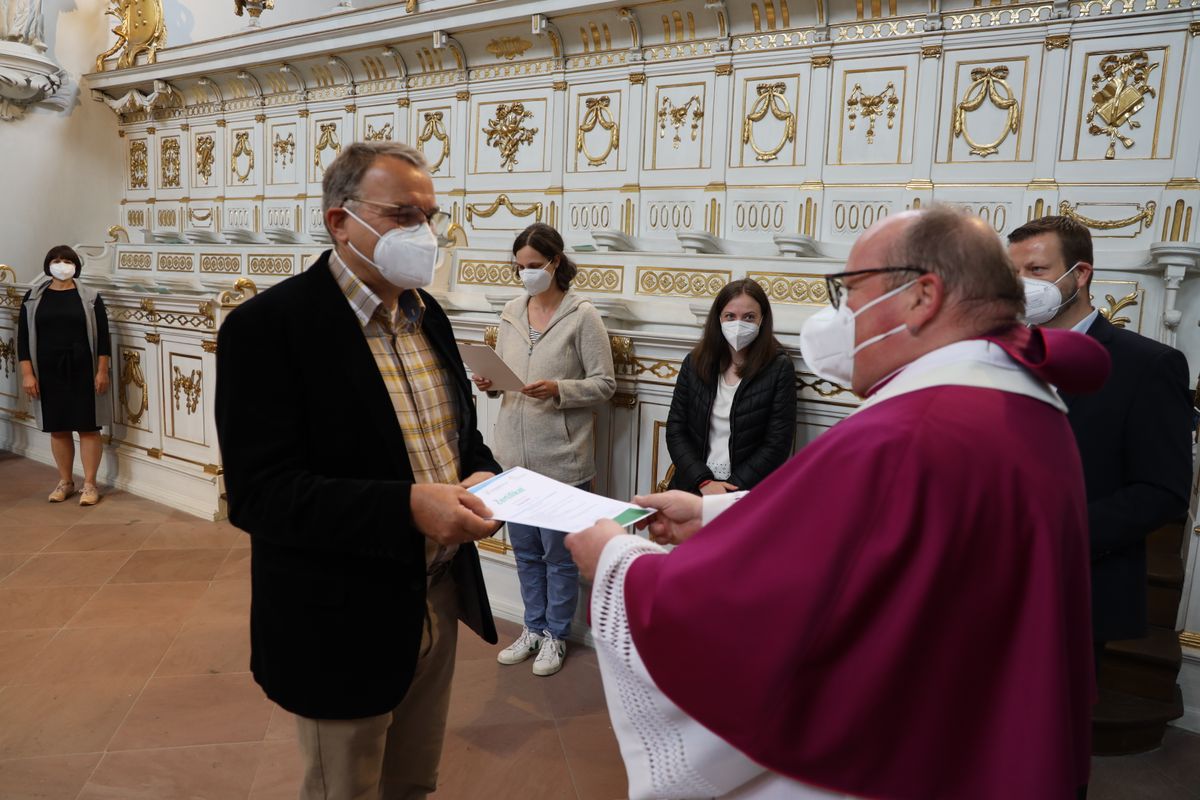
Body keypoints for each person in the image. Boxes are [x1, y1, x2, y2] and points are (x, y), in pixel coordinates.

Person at [566, 206, 1109, 799]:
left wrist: (618, 564)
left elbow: (774, 604)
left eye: (849, 291)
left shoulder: (912, 430)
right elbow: (861, 534)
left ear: (923, 296)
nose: (840, 315)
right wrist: (709, 513)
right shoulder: (1011, 395)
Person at [215, 141, 503, 800]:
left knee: (411, 784)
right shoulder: (270, 328)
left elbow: (463, 441)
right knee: (346, 790)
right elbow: (261, 496)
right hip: (340, 614)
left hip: (435, 592)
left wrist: (482, 477)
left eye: (430, 215)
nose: (423, 233)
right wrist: (406, 507)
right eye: (402, 215)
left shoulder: (429, 319)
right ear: (340, 221)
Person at [1008, 215, 1192, 658]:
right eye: (1012, 275)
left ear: (1081, 274)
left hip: (1080, 581)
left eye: (1036, 271)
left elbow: (1162, 491)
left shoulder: (1147, 365)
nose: (1022, 286)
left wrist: (1053, 534)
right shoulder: (1000, 355)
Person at [472, 222, 615, 677]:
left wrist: (559, 389)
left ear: (555, 263)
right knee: (526, 551)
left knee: (558, 556)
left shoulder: (583, 315)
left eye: (534, 266)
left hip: (562, 458)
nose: (527, 275)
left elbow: (605, 384)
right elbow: (505, 375)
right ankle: (532, 628)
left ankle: (556, 634)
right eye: (520, 267)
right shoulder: (512, 311)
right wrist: (490, 385)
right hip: (513, 455)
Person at [666, 279, 796, 495]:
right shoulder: (695, 362)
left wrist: (729, 489)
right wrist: (704, 482)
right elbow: (675, 430)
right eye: (730, 316)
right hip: (693, 484)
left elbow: (777, 444)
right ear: (719, 319)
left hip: (746, 491)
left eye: (749, 317)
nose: (738, 324)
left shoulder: (779, 367)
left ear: (762, 320)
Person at [18, 245, 111, 506]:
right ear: (48, 265)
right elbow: (23, 339)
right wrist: (28, 374)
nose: (62, 265)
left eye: (67, 260)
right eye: (56, 260)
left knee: (88, 426)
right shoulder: (34, 296)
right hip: (48, 369)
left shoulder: (91, 297)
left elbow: (103, 338)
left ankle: (90, 484)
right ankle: (65, 481)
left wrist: (102, 371)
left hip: (83, 368)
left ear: (76, 265)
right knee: (58, 428)